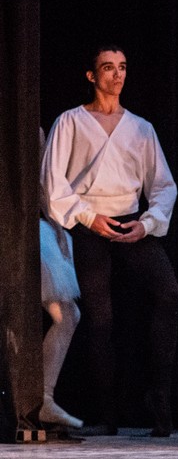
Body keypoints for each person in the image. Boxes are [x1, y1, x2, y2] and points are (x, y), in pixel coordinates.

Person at [41, 46, 178, 437]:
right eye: (108, 68)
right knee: (100, 318)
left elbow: (163, 186)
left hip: (129, 224)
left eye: (122, 67)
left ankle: (160, 396)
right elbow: (53, 183)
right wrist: (88, 217)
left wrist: (148, 223)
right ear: (92, 75)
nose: (117, 75)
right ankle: (109, 411)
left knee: (170, 294)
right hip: (89, 223)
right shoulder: (70, 122)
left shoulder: (140, 128)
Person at [37, 128, 83, 431]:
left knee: (68, 313)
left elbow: (38, 182)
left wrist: (53, 223)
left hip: (28, 223)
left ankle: (44, 398)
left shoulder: (26, 123)